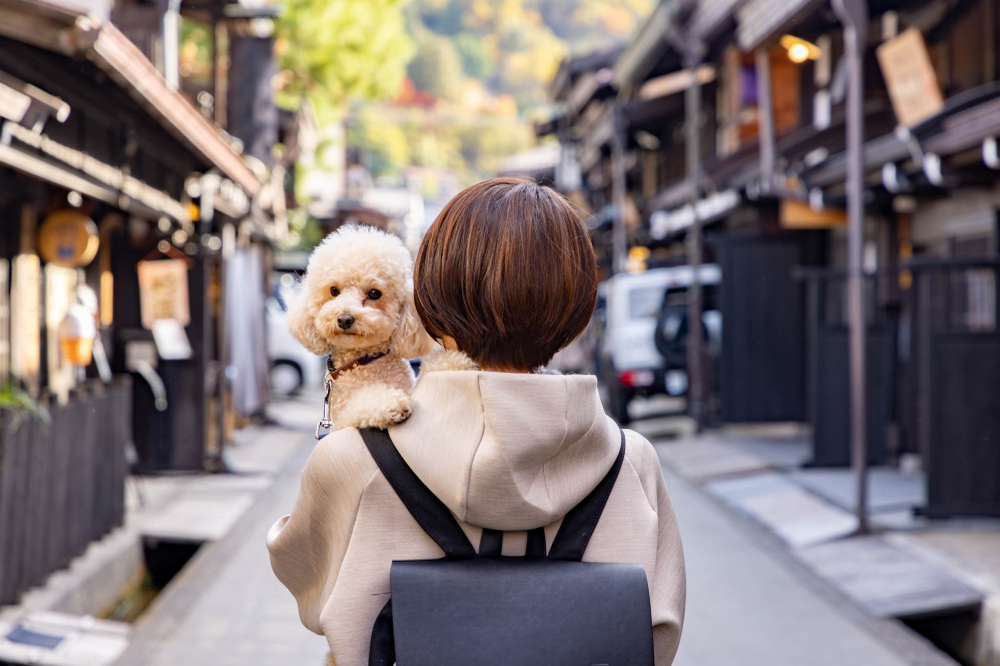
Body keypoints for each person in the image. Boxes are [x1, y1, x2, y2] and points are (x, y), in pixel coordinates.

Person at [267, 177, 686, 665]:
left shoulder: (351, 458)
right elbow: (657, 634)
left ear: (431, 302)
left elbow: (304, 572)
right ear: (575, 307)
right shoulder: (632, 463)